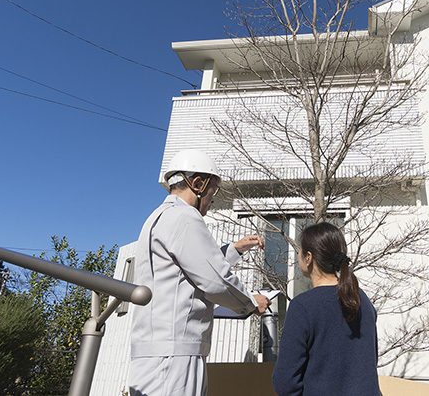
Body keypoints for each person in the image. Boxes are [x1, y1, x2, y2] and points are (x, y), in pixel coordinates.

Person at [128, 149, 271, 396]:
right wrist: (250, 302)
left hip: (155, 352)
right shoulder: (186, 217)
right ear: (197, 184)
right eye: (213, 191)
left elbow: (189, 267)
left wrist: (235, 249)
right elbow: (215, 280)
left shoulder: (157, 218)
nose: (213, 199)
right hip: (175, 356)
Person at [272, 222, 380, 396]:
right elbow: (369, 362)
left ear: (308, 257)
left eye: (299, 251)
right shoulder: (362, 300)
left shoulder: (303, 306)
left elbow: (285, 381)